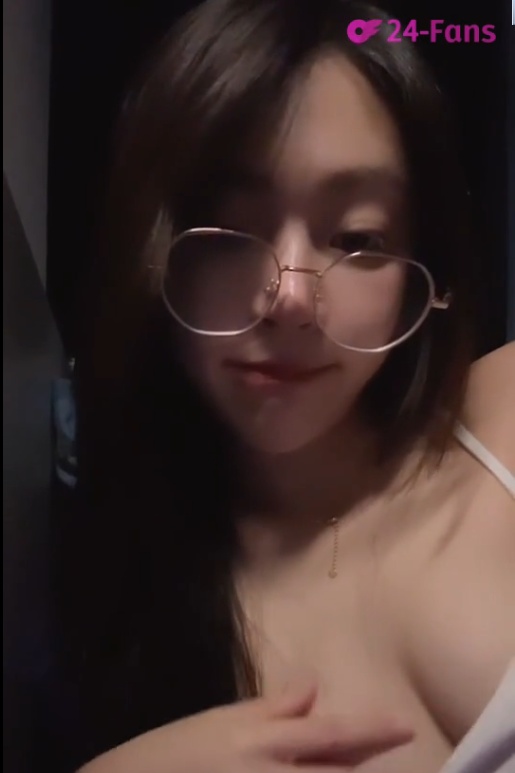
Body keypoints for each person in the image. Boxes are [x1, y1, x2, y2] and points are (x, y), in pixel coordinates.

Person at [54, 0, 515, 771]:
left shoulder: (502, 415)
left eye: (356, 237)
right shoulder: (142, 626)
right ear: (152, 251)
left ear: (425, 271)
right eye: (231, 231)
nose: (291, 297)